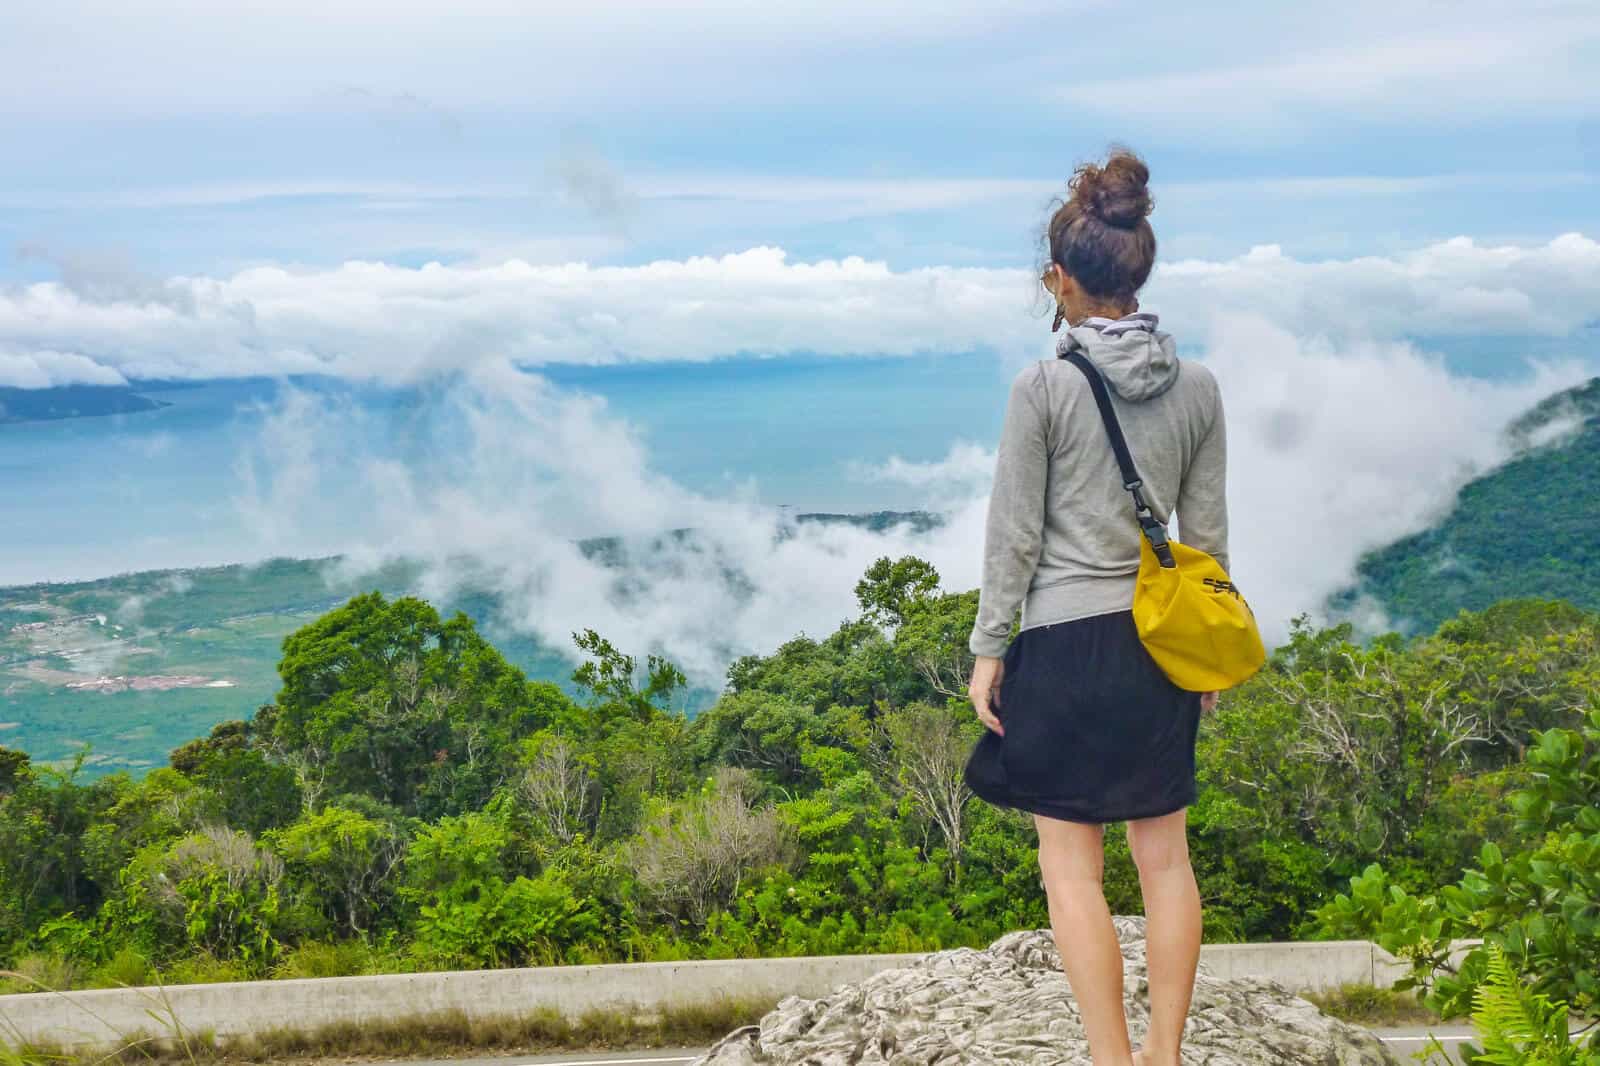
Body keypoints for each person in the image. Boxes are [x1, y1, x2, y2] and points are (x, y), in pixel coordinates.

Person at [963, 147, 1228, 1066]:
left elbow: (1015, 536)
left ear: (1061, 281)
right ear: (1138, 270)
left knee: (1071, 868)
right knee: (1167, 860)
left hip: (1065, 648)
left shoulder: (1043, 388)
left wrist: (989, 648)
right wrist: (1208, 657)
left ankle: (1111, 1060)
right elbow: (1208, 539)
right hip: (1161, 642)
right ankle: (1165, 1055)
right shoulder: (1196, 388)